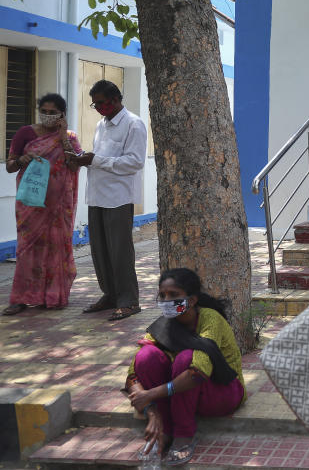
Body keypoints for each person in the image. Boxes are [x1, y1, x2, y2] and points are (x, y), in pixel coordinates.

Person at [124, 268, 245, 466]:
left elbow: (198, 372)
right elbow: (133, 375)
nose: (166, 300)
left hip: (222, 391)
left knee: (186, 359)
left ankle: (183, 435)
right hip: (183, 395)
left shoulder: (210, 320)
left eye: (174, 295)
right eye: (162, 295)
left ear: (193, 300)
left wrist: (151, 394)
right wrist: (151, 412)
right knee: (146, 356)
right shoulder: (163, 325)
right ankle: (163, 430)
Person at [71, 80, 148, 321]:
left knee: (120, 251)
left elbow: (135, 162)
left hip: (119, 197)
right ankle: (110, 294)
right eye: (95, 104)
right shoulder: (100, 125)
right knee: (100, 252)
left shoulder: (133, 124)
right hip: (96, 195)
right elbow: (99, 158)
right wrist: (82, 159)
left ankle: (128, 300)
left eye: (101, 103)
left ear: (116, 99)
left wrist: (95, 161)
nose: (98, 108)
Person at [2, 94, 83, 315]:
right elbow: (10, 166)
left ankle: (53, 296)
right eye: (44, 111)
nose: (48, 116)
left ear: (62, 114)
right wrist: (20, 161)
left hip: (58, 206)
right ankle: (20, 299)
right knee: (27, 249)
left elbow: (74, 164)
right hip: (31, 203)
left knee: (57, 247)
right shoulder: (25, 133)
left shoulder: (70, 137)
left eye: (53, 112)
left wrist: (63, 135)